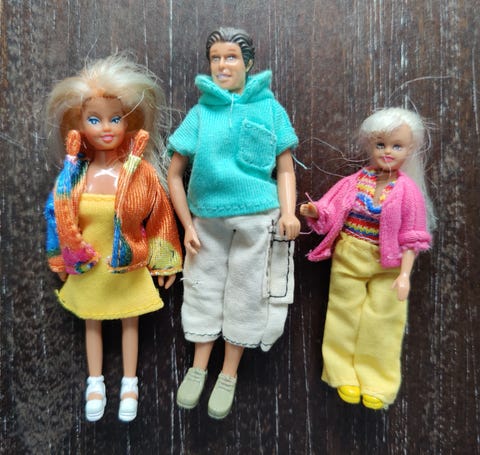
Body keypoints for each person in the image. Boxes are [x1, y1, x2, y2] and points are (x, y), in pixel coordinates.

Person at [167, 27, 300, 419]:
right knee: (202, 288)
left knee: (246, 292)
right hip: (207, 219)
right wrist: (187, 225)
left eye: (231, 58)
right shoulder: (201, 113)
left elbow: (285, 168)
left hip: (258, 218)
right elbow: (174, 173)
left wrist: (289, 211)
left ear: (248, 63)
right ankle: (198, 367)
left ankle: (228, 373)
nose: (222, 65)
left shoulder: (270, 109)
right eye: (216, 58)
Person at [44, 55, 182, 422]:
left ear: (128, 122)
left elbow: (160, 214)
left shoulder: (139, 173)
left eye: (115, 118)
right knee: (92, 321)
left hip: (127, 264)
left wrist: (165, 259)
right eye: (94, 119)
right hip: (88, 266)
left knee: (129, 322)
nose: (106, 128)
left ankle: (130, 384)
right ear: (78, 125)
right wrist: (60, 258)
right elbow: (56, 216)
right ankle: (95, 383)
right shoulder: (74, 174)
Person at [300, 107, 434, 410]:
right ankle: (340, 373)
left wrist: (405, 275)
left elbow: (412, 236)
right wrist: (316, 211)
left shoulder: (408, 191)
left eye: (397, 146)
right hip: (349, 255)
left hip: (390, 264)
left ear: (410, 149)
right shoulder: (354, 182)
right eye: (381, 144)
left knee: (384, 320)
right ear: (370, 144)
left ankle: (377, 381)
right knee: (342, 314)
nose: (388, 152)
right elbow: (331, 209)